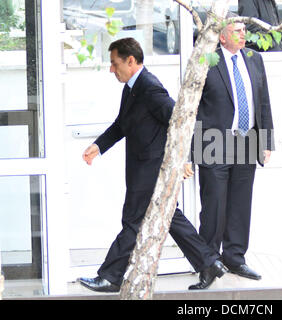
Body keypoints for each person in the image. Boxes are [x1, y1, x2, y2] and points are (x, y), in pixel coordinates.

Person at [77, 37, 227, 292]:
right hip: (141, 168)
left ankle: (111, 276)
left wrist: (184, 159)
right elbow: (122, 124)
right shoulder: (132, 87)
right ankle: (210, 262)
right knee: (169, 216)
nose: (111, 69)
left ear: (131, 61)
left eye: (115, 64)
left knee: (133, 221)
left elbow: (179, 121)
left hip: (150, 169)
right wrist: (99, 146)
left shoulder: (149, 88)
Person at [185, 20, 275, 281]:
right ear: (222, 37)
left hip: (247, 141)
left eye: (244, 31)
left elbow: (264, 101)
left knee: (240, 204)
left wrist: (267, 141)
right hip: (214, 143)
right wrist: (191, 151)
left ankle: (235, 258)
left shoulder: (253, 58)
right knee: (213, 206)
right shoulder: (207, 60)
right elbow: (193, 108)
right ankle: (209, 263)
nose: (243, 34)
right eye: (237, 31)